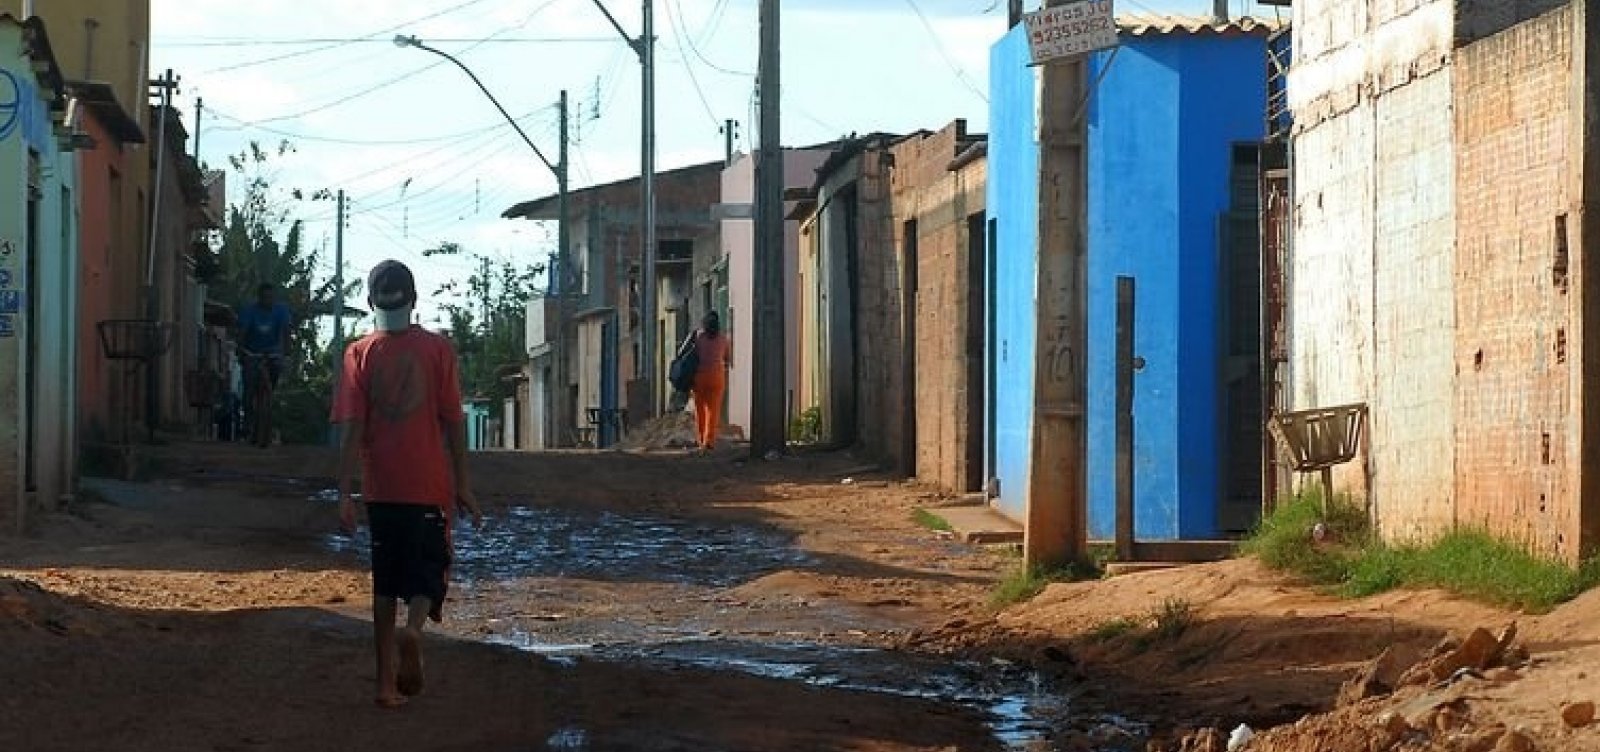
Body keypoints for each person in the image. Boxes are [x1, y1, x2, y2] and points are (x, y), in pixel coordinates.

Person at [331, 260, 483, 709]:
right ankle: (414, 629)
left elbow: (352, 429)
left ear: (369, 302)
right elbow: (454, 421)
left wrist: (343, 492)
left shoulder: (358, 354)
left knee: (384, 585)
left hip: (381, 488)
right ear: (414, 300)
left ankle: (384, 685)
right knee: (427, 571)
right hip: (428, 486)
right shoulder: (438, 351)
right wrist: (464, 483)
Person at [236, 283, 292, 443]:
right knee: (248, 389)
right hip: (252, 353)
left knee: (272, 382)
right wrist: (240, 349)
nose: (268, 301)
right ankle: (247, 423)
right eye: (265, 297)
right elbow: (242, 332)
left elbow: (286, 332)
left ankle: (267, 408)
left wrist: (286, 353)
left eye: (271, 297)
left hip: (272, 354)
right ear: (259, 298)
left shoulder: (281, 310)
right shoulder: (250, 311)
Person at [680, 311, 732, 454]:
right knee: (713, 411)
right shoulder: (723, 339)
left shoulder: (698, 336)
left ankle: (701, 439)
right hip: (717, 377)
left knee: (700, 410)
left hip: (699, 377)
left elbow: (684, 352)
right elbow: (728, 358)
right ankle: (709, 441)